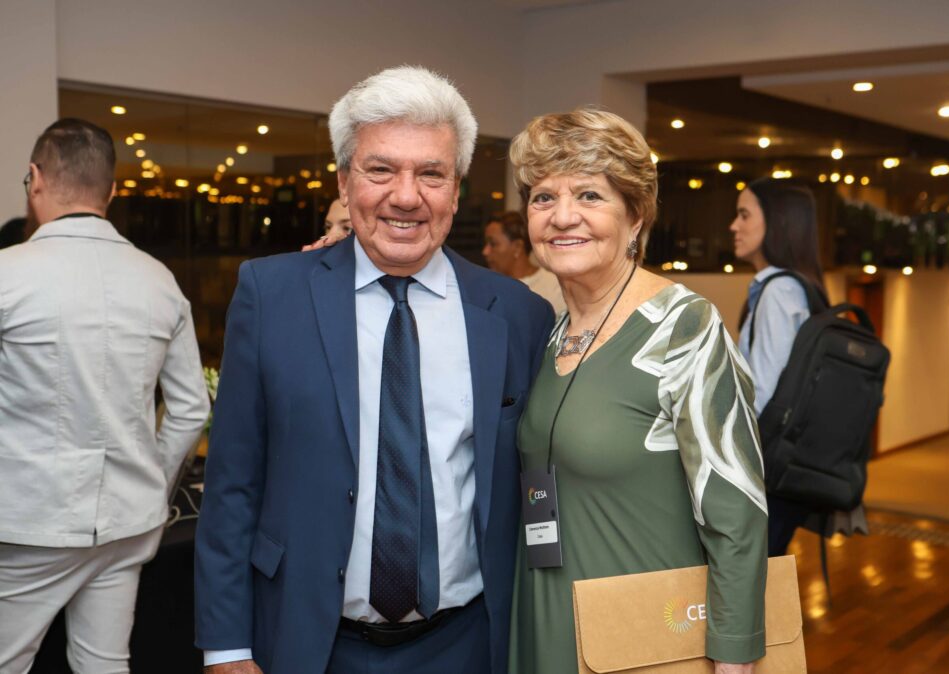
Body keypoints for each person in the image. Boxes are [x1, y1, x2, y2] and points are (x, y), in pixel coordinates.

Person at [194, 66, 554, 674]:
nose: (406, 197)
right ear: (344, 181)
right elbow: (233, 483)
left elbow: (536, 484)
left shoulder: (517, 314)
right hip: (309, 642)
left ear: (456, 190)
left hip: (468, 644)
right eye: (380, 170)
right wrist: (227, 648)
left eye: (431, 174)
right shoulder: (271, 295)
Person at [508, 108, 767, 674]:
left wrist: (734, 652)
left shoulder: (685, 328)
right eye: (543, 197)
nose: (562, 216)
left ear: (636, 217)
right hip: (546, 613)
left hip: (646, 633)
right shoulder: (551, 332)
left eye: (590, 195)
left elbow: (736, 511)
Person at [0, 118, 210, 672]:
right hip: (129, 520)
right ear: (111, 191)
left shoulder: (6, 274)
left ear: (35, 178)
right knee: (104, 664)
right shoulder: (159, 279)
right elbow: (191, 409)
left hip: (28, 521)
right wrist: (152, 480)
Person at [731, 177, 863, 557]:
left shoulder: (778, 292)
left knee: (750, 582)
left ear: (778, 221)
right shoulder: (803, 286)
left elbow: (763, 396)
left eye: (744, 215)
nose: (733, 226)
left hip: (766, 474)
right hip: (788, 471)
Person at [482, 210, 565, 315]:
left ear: (517, 247)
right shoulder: (487, 287)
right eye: (486, 244)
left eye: (493, 244)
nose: (485, 251)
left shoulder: (555, 288)